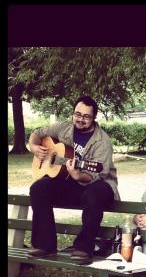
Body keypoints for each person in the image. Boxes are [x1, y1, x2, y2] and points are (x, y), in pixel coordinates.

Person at [28, 95, 120, 262]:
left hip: (99, 184)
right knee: (38, 188)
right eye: (77, 114)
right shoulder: (64, 127)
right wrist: (34, 147)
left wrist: (78, 174)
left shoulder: (103, 142)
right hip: (70, 182)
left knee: (94, 192)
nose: (80, 119)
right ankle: (45, 246)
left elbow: (97, 174)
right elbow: (37, 133)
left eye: (86, 116)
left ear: (94, 117)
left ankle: (84, 247)